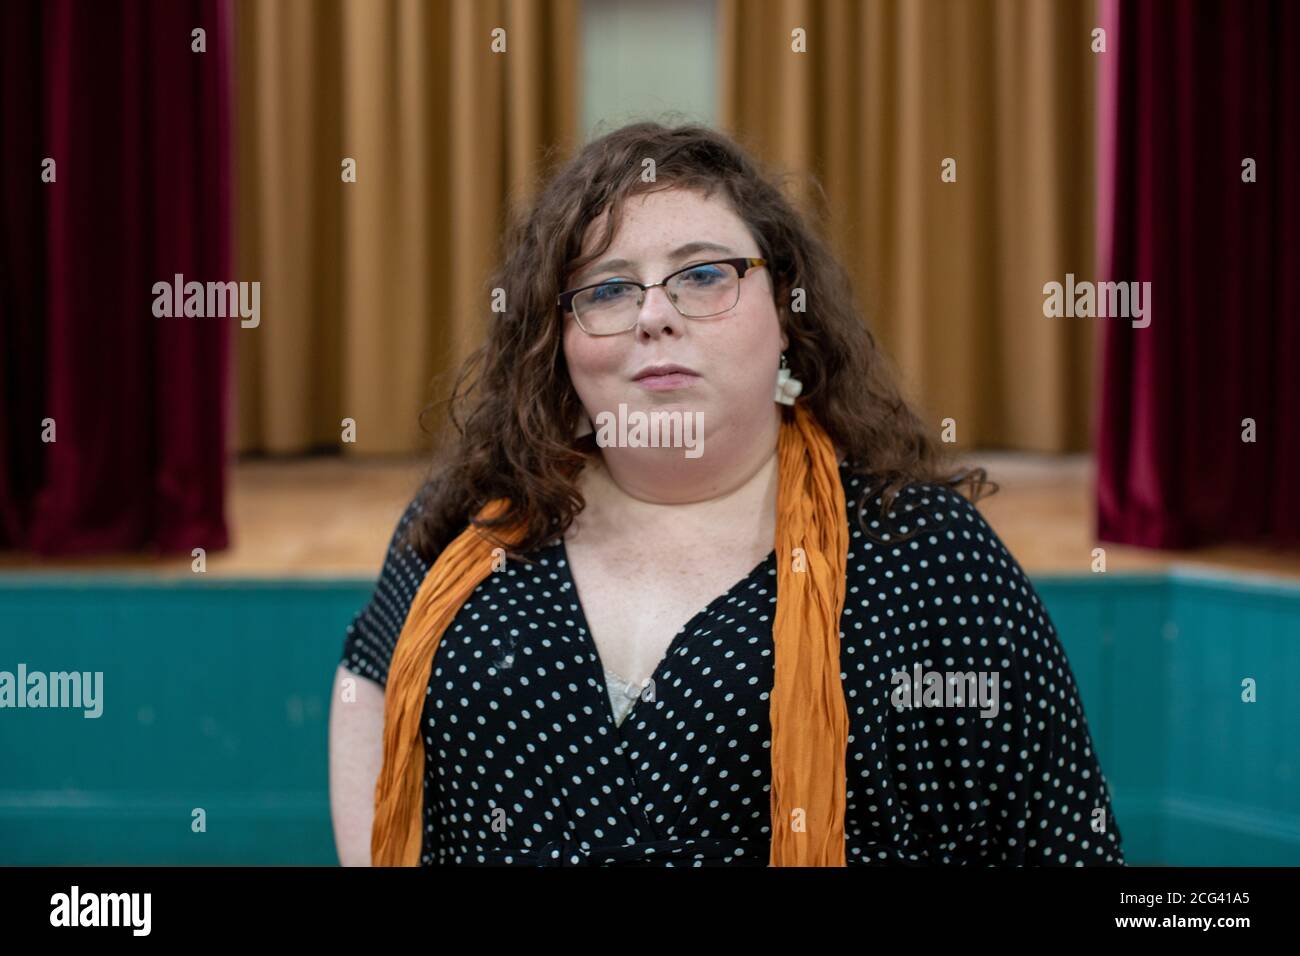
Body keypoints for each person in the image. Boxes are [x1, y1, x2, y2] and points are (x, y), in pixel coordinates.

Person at [327, 121, 1124, 867]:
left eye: (703, 275)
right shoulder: (474, 513)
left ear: (785, 312)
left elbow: (1053, 836)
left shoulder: (924, 552)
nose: (653, 314)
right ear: (555, 340)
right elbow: (368, 674)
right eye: (606, 290)